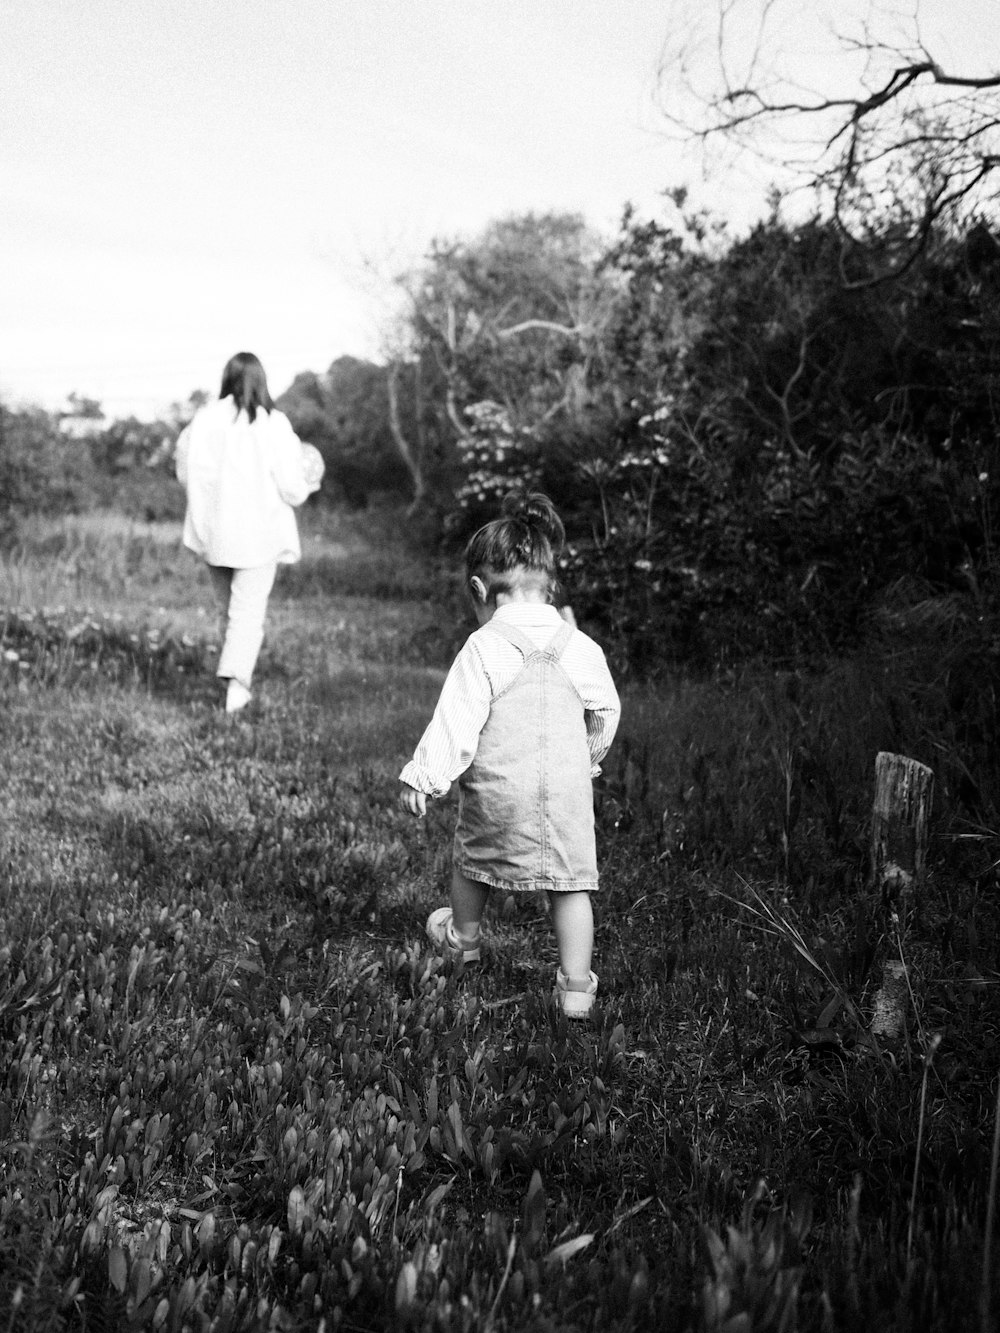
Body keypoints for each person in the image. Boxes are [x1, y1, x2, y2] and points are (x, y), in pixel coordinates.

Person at [398, 492, 620, 1019]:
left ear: (479, 589)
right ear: (549, 587)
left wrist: (425, 777)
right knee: (570, 886)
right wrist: (587, 757)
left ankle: (464, 939)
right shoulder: (582, 646)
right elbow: (606, 709)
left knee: (472, 864)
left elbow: (456, 720)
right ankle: (575, 988)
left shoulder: (483, 647)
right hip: (566, 794)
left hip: (499, 794)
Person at [175, 352, 323, 713]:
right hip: (259, 534)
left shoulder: (203, 420)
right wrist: (309, 484)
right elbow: (291, 486)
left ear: (227, 378)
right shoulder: (273, 423)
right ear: (261, 380)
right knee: (247, 613)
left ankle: (232, 684)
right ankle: (236, 691)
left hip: (213, 532)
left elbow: (184, 471)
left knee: (229, 612)